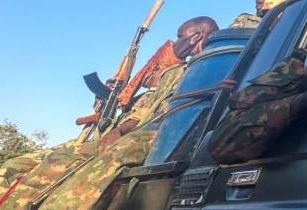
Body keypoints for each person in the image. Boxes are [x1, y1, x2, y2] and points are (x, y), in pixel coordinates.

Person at [33, 17, 219, 210]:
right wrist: (118, 121)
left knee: (110, 159)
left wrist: (122, 133)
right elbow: (142, 111)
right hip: (139, 131)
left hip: (169, 134)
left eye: (180, 36)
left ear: (195, 37)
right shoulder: (173, 74)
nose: (174, 42)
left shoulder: (211, 66)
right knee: (56, 158)